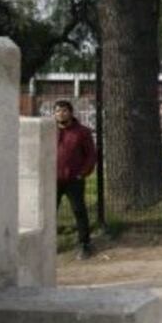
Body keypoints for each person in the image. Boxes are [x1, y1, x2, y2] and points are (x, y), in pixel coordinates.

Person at [54, 99, 97, 260]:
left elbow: (91, 155)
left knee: (79, 211)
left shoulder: (82, 132)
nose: (61, 114)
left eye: (64, 110)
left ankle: (84, 244)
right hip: (53, 180)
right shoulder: (49, 130)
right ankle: (49, 244)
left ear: (71, 113)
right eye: (57, 111)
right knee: (49, 213)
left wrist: (82, 173)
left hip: (74, 180)